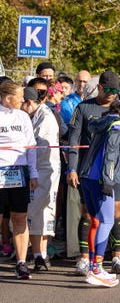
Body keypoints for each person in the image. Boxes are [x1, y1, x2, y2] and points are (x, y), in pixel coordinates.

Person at [66, 71, 120, 275]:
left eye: (115, 91)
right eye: (107, 90)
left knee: (116, 213)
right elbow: (73, 141)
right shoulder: (83, 107)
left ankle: (116, 257)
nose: (111, 94)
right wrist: (72, 168)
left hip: (114, 173)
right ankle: (85, 259)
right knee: (90, 216)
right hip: (90, 172)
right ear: (99, 87)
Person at [79, 96, 120, 287]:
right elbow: (111, 152)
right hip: (102, 180)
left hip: (86, 176)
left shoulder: (104, 120)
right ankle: (97, 269)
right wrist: (107, 180)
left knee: (96, 222)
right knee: (106, 222)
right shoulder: (119, 125)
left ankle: (92, 266)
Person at [0, 80, 38, 279]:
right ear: (8, 98)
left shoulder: (23, 117)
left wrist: (34, 173)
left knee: (19, 218)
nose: (24, 100)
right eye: (20, 97)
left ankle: (21, 263)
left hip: (19, 174)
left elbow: (31, 147)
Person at [21, 86, 60, 272]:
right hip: (38, 170)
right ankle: (40, 256)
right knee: (38, 214)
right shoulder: (35, 115)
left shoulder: (45, 117)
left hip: (44, 170)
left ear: (29, 102)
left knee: (39, 213)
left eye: (22, 103)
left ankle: (40, 255)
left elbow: (40, 146)